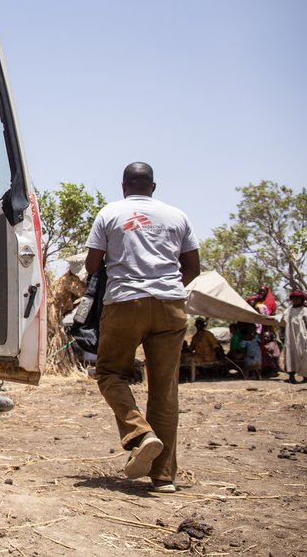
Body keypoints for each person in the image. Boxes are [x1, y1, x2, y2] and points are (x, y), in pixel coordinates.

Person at [85, 162, 200, 494]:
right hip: (171, 307)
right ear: (153, 186)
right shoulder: (177, 216)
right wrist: (166, 289)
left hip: (125, 304)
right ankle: (163, 477)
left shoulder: (110, 213)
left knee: (109, 373)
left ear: (123, 186)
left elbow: (93, 264)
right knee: (164, 390)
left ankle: (140, 433)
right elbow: (192, 267)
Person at [283, 290, 307, 383]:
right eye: (294, 298)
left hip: (301, 336)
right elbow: (281, 318)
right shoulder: (288, 310)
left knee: (304, 353)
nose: (296, 300)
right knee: (290, 354)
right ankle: (291, 376)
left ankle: (305, 376)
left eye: (298, 298)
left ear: (301, 299)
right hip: (290, 336)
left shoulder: (305, 310)